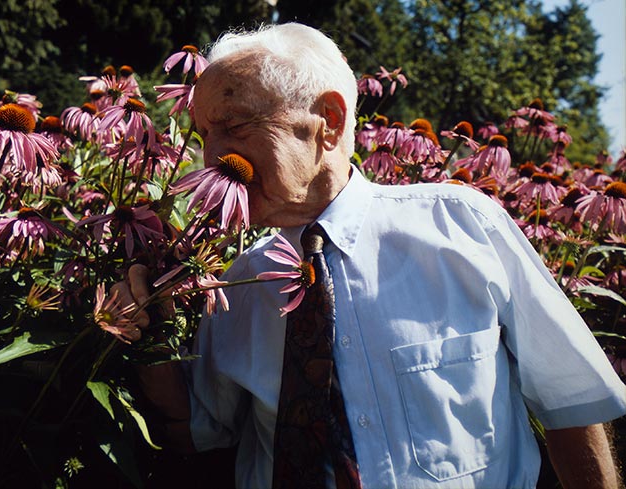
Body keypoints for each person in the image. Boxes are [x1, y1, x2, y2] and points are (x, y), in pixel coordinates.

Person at [116, 22, 626, 488]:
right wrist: (145, 330)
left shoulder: (461, 227)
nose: (214, 157)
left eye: (236, 125)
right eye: (205, 134)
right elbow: (201, 428)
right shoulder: (237, 284)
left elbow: (570, 401)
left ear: (329, 122)